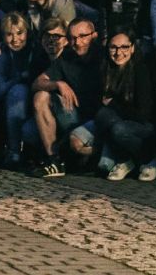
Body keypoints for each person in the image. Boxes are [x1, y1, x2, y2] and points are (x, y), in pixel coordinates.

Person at [27, 16, 103, 177]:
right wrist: (58, 84)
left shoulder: (104, 56)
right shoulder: (67, 57)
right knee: (40, 97)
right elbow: (37, 83)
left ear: (94, 36)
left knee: (79, 145)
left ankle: (98, 155)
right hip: (74, 114)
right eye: (73, 38)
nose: (78, 42)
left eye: (83, 36)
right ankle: (54, 160)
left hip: (100, 118)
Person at [86, 29, 155, 181]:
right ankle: (124, 159)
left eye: (124, 47)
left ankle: (147, 158)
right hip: (116, 121)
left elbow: (143, 114)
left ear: (132, 48)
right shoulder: (106, 69)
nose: (118, 53)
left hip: (143, 125)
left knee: (118, 129)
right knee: (103, 116)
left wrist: (114, 104)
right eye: (113, 47)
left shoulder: (140, 70)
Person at [0, 11, 35, 168]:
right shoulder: (1, 55)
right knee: (18, 91)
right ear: (3, 37)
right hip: (11, 107)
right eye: (9, 34)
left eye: (20, 33)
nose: (15, 39)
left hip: (37, 105)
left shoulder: (36, 50)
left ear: (27, 33)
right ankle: (14, 151)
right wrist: (19, 78)